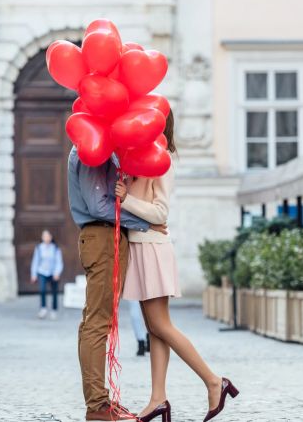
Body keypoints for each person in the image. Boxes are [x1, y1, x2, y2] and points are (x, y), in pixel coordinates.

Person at [115, 111, 238, 422]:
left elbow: (160, 213)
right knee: (155, 329)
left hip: (153, 249)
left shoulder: (162, 159)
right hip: (142, 247)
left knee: (161, 326)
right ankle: (158, 398)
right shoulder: (138, 157)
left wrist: (126, 199)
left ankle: (214, 381)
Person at [67, 146, 167, 422]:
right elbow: (98, 205)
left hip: (108, 239)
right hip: (102, 238)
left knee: (97, 321)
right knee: (97, 322)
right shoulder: (90, 150)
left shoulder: (103, 150)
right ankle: (98, 406)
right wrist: (146, 224)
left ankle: (100, 402)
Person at [30, 229, 63, 320]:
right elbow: (35, 262)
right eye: (44, 236)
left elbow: (59, 262)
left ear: (51, 237)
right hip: (42, 272)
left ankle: (54, 310)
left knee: (54, 292)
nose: (46, 238)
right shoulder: (39, 248)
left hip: (53, 272)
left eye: (48, 236)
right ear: (42, 238)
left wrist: (57, 273)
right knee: (42, 290)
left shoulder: (55, 248)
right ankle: (43, 308)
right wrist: (34, 274)